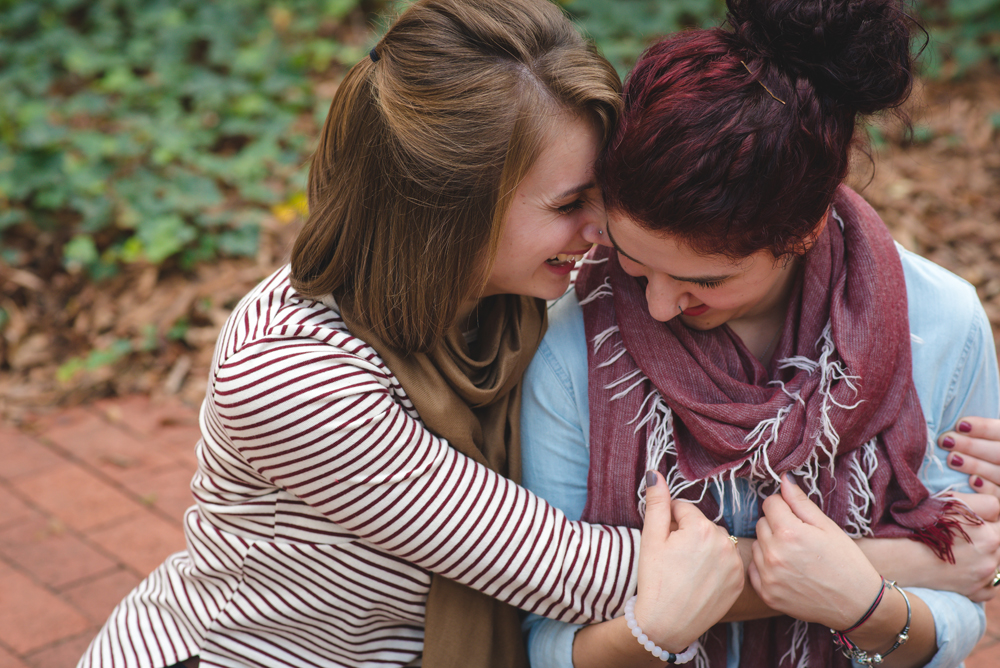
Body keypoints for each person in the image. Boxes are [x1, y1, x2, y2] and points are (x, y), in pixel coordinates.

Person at [77, 1, 747, 667]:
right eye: (571, 203)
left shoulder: (511, 296)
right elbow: (562, 569)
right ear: (448, 212)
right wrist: (833, 579)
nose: (604, 227)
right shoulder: (291, 377)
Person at [521, 0, 1000, 666]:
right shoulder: (571, 344)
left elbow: (966, 598)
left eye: (706, 281)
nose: (657, 306)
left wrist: (866, 610)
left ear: (800, 234)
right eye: (632, 260)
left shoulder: (940, 325)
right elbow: (545, 634)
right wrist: (870, 569)